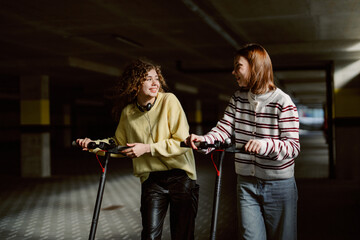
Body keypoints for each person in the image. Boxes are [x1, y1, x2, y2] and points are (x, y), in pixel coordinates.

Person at [185, 43, 300, 240]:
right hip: (246, 183)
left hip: (279, 184)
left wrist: (265, 145)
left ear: (255, 67)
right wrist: (204, 140)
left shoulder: (283, 102)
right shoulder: (238, 99)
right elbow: (224, 128)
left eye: (238, 66)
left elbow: (293, 147)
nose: (233, 72)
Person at [76, 59, 199, 240]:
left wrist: (147, 148)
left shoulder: (169, 101)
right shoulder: (128, 112)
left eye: (156, 78)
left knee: (182, 236)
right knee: (149, 235)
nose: (155, 83)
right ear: (135, 84)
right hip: (152, 180)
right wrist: (93, 145)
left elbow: (182, 142)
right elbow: (118, 143)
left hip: (181, 177)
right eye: (148, 79)